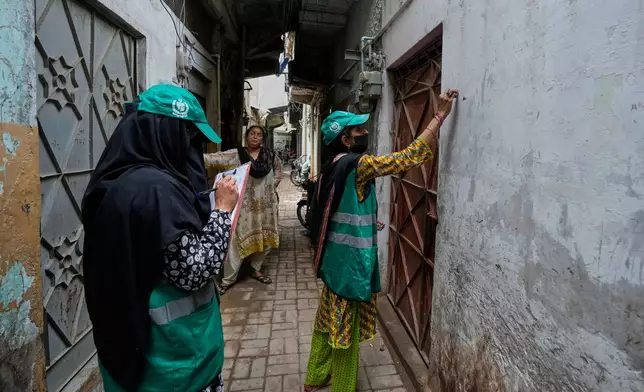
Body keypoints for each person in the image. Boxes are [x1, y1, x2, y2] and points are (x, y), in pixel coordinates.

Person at [82, 84, 238, 392]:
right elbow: (195, 270)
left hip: (131, 356)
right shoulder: (156, 189)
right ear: (167, 134)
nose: (192, 151)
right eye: (189, 139)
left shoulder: (119, 179)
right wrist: (222, 210)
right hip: (174, 366)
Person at [304, 89, 459, 392]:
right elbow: (406, 158)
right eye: (358, 130)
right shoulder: (357, 165)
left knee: (326, 321)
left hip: (334, 265)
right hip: (349, 269)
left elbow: (336, 212)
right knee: (344, 333)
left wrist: (367, 222)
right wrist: (439, 116)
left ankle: (315, 377)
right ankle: (344, 387)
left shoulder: (332, 168)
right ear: (345, 140)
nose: (364, 133)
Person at [204, 125, 282, 294]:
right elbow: (214, 159)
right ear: (247, 137)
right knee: (235, 241)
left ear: (263, 139)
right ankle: (228, 279)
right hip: (244, 208)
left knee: (266, 240)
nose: (255, 137)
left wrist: (270, 189)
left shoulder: (270, 156)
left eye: (259, 135)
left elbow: (278, 172)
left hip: (266, 208)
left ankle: (255, 268)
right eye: (252, 134)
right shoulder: (236, 155)